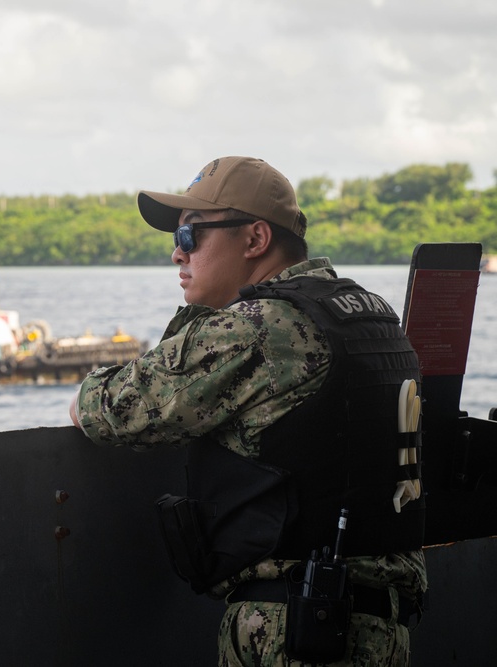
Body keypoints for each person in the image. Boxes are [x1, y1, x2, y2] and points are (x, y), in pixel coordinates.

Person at [69, 156, 427, 666]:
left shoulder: (261, 326)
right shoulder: (371, 315)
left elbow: (105, 409)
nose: (177, 253)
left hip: (297, 631)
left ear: (256, 240)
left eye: (191, 236)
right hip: (380, 630)